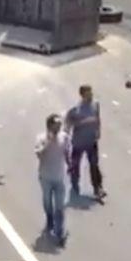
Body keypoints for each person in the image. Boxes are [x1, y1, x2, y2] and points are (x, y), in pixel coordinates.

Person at [64, 84, 106, 199]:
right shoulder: (75, 109)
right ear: (82, 95)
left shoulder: (95, 104)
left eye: (91, 92)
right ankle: (74, 182)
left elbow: (98, 118)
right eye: (88, 93)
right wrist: (82, 122)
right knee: (76, 164)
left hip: (91, 141)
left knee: (94, 164)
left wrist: (98, 130)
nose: (91, 95)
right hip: (78, 142)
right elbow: (68, 124)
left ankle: (98, 187)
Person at [36, 114, 71, 246]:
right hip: (45, 177)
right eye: (55, 125)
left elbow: (67, 152)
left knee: (60, 206)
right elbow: (39, 154)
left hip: (59, 176)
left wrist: (70, 165)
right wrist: (49, 143)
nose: (58, 127)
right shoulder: (41, 139)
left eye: (59, 125)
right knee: (47, 202)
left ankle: (59, 232)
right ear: (49, 126)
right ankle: (49, 220)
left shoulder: (64, 137)